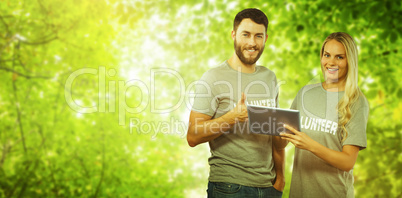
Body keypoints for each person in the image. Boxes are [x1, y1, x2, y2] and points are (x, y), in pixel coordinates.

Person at [187, 8, 287, 198]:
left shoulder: (269, 77)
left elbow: (275, 140)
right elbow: (192, 136)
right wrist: (232, 118)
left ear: (265, 38)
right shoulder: (213, 77)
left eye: (258, 36)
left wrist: (280, 179)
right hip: (229, 188)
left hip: (269, 187)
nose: (252, 42)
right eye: (246, 35)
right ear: (234, 35)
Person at [280, 32, 369, 198]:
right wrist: (263, 120)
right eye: (327, 55)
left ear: (350, 60)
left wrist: (309, 144)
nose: (331, 62)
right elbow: (282, 140)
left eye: (339, 57)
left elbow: (348, 162)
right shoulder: (305, 93)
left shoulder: (357, 101)